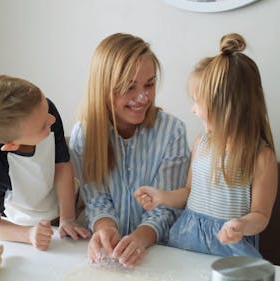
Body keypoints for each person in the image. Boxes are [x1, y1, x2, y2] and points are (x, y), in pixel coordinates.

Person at [134, 33, 278, 258]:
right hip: (186, 240)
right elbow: (189, 192)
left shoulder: (261, 156)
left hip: (229, 250)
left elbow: (260, 215)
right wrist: (162, 197)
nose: (193, 109)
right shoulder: (202, 143)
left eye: (197, 101)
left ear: (224, 106)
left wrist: (241, 225)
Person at [69, 33, 190, 267]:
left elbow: (165, 207)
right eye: (129, 87)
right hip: (104, 253)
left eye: (149, 84)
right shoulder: (84, 134)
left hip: (159, 254)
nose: (142, 97)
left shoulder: (172, 131)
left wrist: (139, 238)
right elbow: (96, 200)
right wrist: (106, 229)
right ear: (103, 88)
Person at [0, 74, 90, 251]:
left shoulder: (44, 111)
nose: (51, 120)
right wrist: (28, 234)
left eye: (47, 111)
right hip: (22, 226)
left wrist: (68, 218)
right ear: (12, 144)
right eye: (43, 126)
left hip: (65, 210)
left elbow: (62, 165)